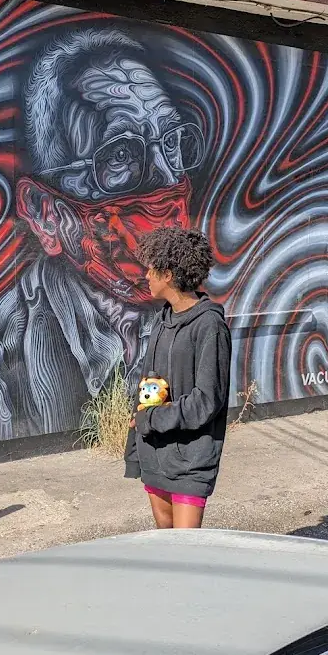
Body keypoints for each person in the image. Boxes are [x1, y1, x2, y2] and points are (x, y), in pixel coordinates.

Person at [0, 27, 205, 453]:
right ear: (44, 211)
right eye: (121, 155)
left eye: (173, 143)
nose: (167, 179)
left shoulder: (186, 313)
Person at [125, 227, 232, 529]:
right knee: (165, 550)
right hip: (154, 452)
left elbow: (206, 401)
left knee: (186, 552)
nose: (146, 276)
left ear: (168, 273)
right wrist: (140, 421)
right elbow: (152, 380)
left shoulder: (210, 326)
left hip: (191, 458)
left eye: (151, 269)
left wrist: (151, 419)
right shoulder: (162, 318)